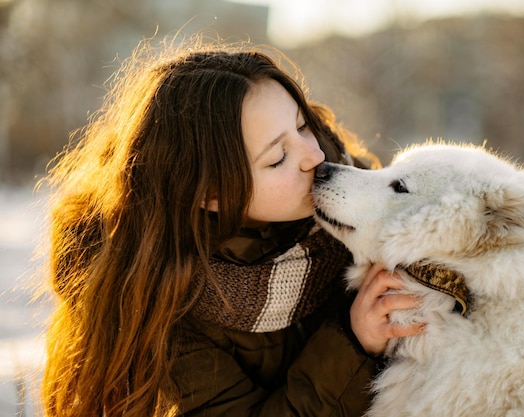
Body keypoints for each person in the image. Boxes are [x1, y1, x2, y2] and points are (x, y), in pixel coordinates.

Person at [40, 35, 427, 417]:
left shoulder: (361, 194)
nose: (316, 156)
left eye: (302, 126)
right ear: (211, 195)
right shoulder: (168, 305)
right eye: (278, 157)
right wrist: (352, 342)